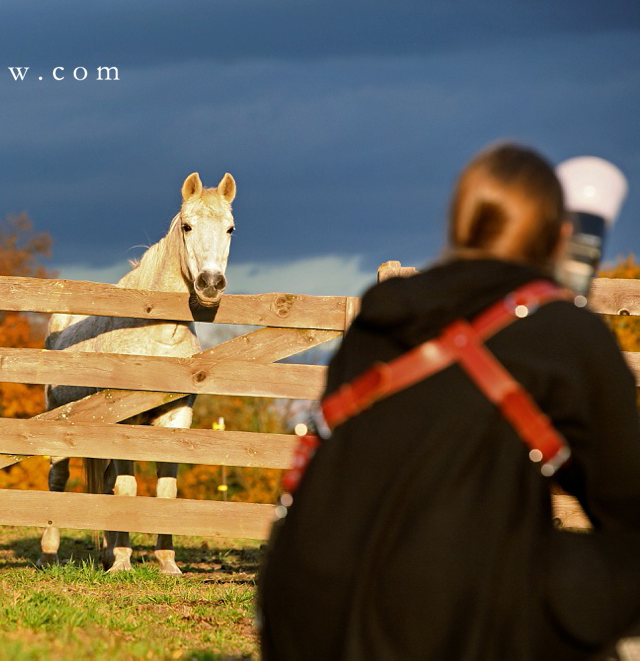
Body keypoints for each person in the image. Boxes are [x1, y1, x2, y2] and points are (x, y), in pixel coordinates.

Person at [257, 142, 640, 660]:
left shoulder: (380, 315)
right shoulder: (563, 331)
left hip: (307, 617)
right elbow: (625, 500)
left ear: (459, 225)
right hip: (450, 625)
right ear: (560, 236)